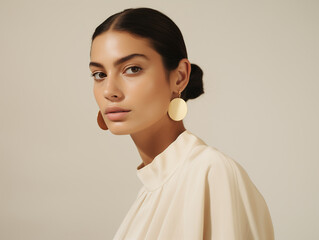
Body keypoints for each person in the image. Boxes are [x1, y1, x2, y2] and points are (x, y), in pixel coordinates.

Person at [89, 7, 274, 240]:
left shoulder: (211, 172)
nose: (109, 91)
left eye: (132, 69)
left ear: (179, 77)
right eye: (99, 74)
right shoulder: (151, 190)